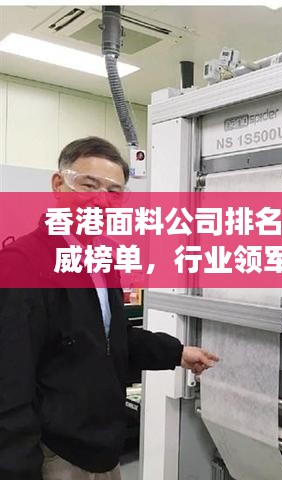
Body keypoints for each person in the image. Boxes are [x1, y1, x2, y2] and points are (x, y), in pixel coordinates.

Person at [0, 136, 219, 480]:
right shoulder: (21, 263)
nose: (101, 201)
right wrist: (18, 467)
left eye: (114, 191)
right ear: (58, 185)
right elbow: (10, 380)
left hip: (102, 448)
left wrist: (177, 352)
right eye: (88, 185)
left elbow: (111, 337)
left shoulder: (103, 258)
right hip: (52, 453)